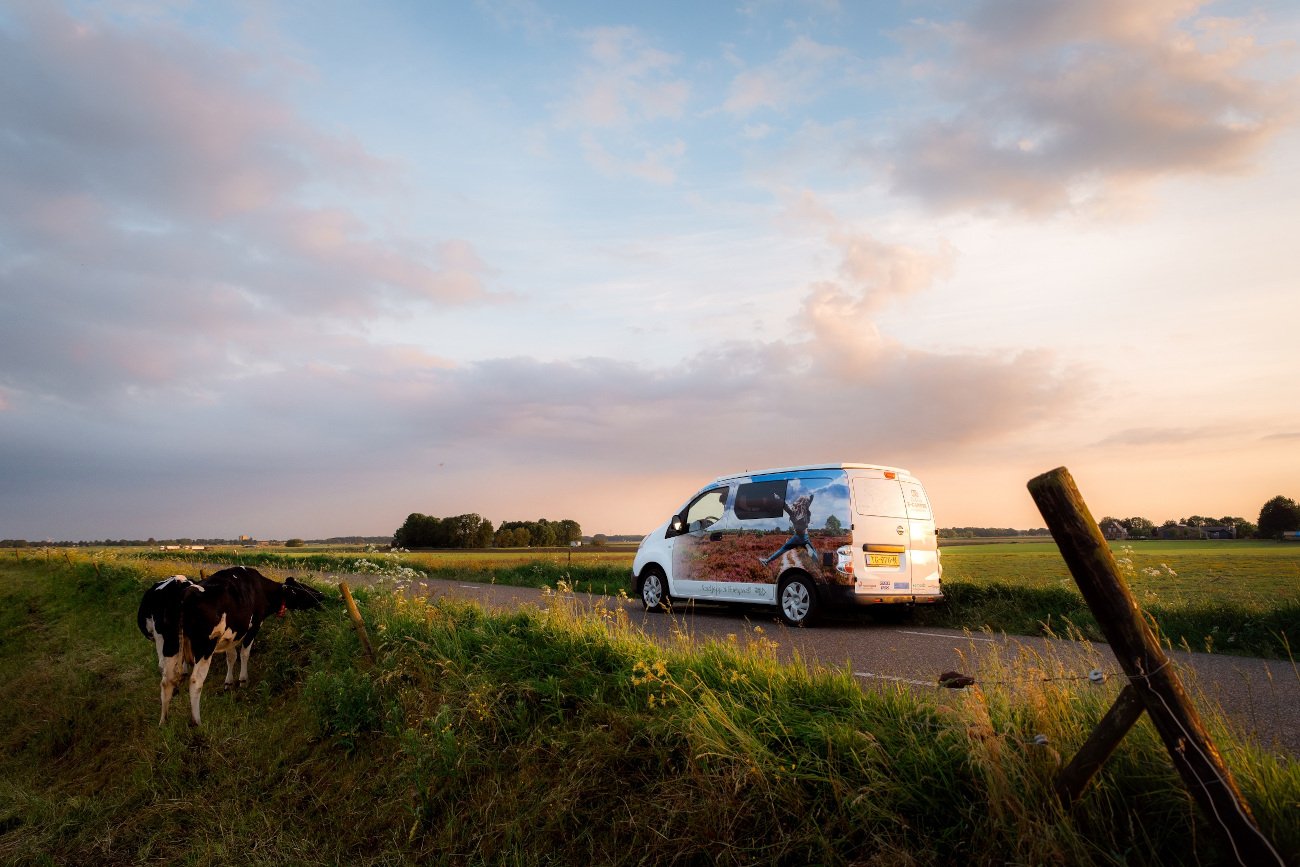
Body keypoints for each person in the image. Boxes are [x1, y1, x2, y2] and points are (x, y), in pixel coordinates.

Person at [760, 493, 817, 565]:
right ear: (805, 503)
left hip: (797, 537)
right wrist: (811, 495)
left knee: (782, 549)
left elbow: (785, 505)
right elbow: (810, 499)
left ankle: (766, 561)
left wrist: (778, 498)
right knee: (813, 552)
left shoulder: (793, 512)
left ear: (799, 502)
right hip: (805, 537)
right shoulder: (806, 511)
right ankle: (816, 560)